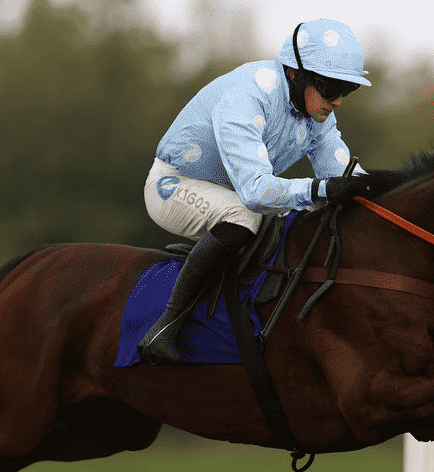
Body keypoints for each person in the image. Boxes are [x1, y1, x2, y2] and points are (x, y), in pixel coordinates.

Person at [138, 18, 372, 365]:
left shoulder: (314, 113)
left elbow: (342, 175)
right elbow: (255, 190)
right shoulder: (246, 94)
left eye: (345, 91)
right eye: (330, 89)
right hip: (172, 186)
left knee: (305, 216)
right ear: (296, 74)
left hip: (234, 197)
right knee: (246, 213)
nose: (337, 101)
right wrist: (321, 188)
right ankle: (164, 327)